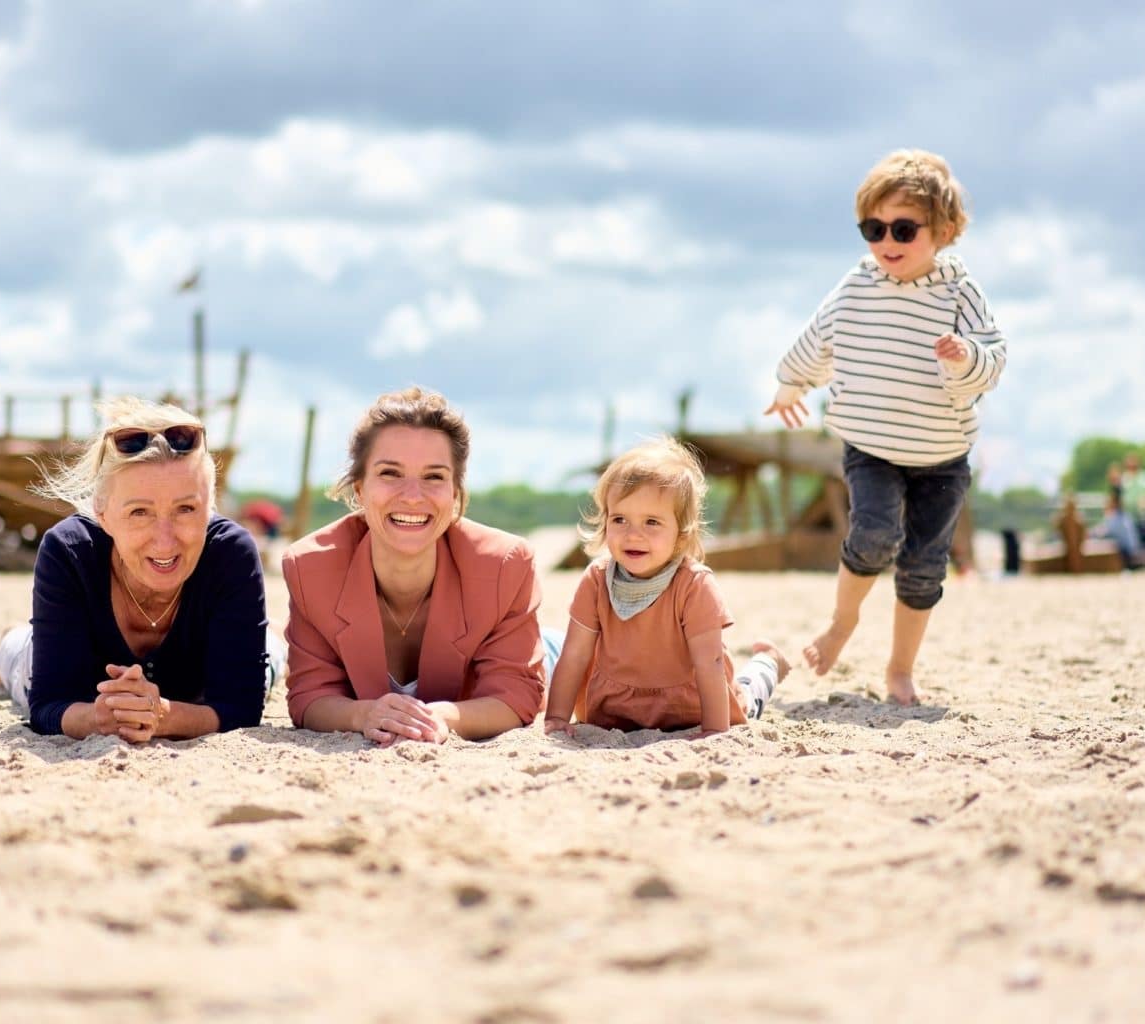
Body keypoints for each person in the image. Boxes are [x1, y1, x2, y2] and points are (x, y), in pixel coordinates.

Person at [765, 148, 1006, 705]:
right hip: (870, 447)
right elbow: (818, 337)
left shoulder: (959, 293)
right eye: (873, 228)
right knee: (873, 536)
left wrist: (964, 356)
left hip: (942, 456)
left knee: (923, 567)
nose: (886, 242)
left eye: (902, 228)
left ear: (943, 230)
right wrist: (789, 383)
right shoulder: (857, 287)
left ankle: (900, 669)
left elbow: (993, 357)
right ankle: (841, 624)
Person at [0, 397, 271, 741]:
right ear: (102, 514)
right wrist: (98, 717)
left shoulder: (231, 554)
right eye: (139, 512)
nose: (165, 541)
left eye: (186, 509)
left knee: (274, 657)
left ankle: (274, 634)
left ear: (211, 508)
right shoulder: (69, 552)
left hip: (197, 686)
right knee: (13, 658)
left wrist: (161, 715)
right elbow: (48, 705)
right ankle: (10, 640)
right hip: (60, 667)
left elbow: (242, 708)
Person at [282, 386, 546, 745]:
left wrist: (441, 717)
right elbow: (309, 697)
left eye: (434, 476)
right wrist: (364, 714)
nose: (411, 495)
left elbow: (517, 695)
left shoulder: (506, 565)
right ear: (359, 489)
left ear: (455, 492)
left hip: (543, 650)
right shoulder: (309, 568)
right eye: (390, 473)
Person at [543, 437, 789, 738]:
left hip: (691, 705)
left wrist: (714, 729)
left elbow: (709, 662)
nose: (633, 534)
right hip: (615, 709)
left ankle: (769, 661)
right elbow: (575, 654)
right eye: (620, 519)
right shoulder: (596, 580)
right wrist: (556, 716)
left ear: (682, 534)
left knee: (748, 698)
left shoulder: (694, 585)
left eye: (651, 522)